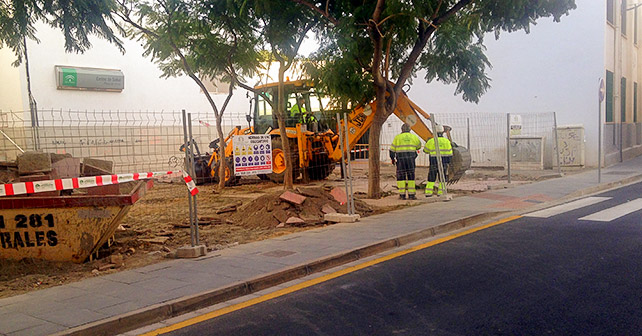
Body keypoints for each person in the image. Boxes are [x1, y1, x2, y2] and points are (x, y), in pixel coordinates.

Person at [390, 123, 422, 200]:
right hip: (411, 159)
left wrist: (392, 158)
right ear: (410, 129)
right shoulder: (414, 137)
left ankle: (402, 195)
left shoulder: (397, 137)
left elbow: (392, 150)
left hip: (401, 159)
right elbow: (419, 146)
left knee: (401, 176)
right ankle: (411, 195)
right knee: (411, 176)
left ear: (402, 129)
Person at [423, 124, 453, 197]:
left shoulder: (431, 141)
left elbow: (425, 150)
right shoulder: (446, 141)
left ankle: (428, 192)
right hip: (444, 161)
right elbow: (450, 153)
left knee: (431, 177)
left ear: (434, 132)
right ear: (443, 132)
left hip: (433, 161)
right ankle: (441, 192)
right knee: (442, 177)